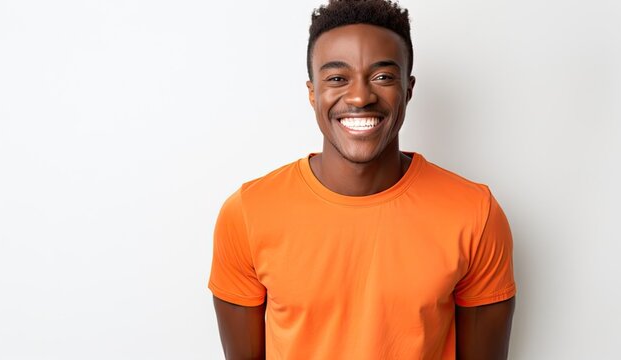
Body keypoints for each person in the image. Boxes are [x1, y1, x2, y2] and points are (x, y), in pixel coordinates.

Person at [207, 1, 516, 358]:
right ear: (312, 93)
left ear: (408, 89)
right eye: (337, 78)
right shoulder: (247, 213)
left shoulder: (475, 215)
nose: (359, 96)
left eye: (382, 76)